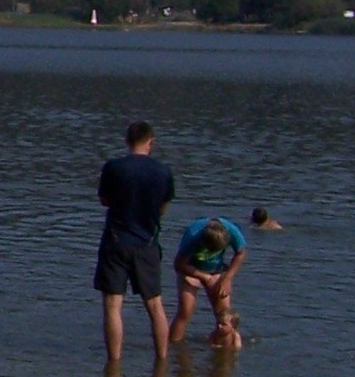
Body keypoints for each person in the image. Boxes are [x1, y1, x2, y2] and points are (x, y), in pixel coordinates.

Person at [94, 120, 175, 364]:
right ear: (151, 142)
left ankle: (114, 362)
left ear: (128, 141)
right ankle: (162, 360)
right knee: (155, 304)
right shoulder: (163, 171)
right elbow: (163, 207)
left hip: (116, 240)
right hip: (147, 242)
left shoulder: (114, 168)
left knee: (112, 304)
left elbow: (104, 200)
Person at [171, 215, 246, 346]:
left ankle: (228, 348)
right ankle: (174, 348)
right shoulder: (193, 235)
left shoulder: (232, 231)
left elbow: (241, 253)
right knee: (186, 311)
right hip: (190, 270)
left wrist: (228, 278)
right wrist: (204, 277)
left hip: (217, 270)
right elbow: (179, 264)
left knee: (225, 314)